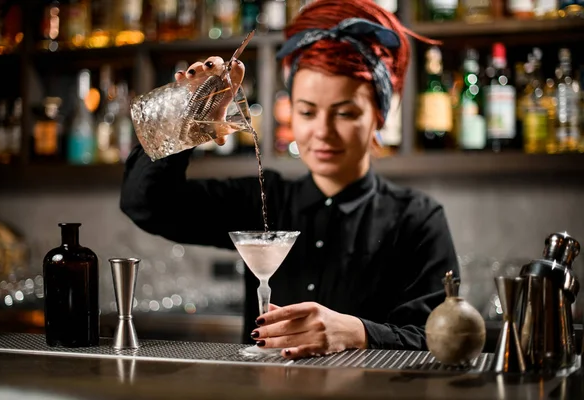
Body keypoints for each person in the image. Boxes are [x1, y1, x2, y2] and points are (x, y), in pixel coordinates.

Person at [120, 0, 460, 359]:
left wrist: (358, 332)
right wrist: (188, 115)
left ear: (379, 115)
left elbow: (444, 340)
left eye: (345, 112)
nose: (323, 132)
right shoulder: (264, 200)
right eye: (307, 111)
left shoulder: (418, 220)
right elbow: (145, 205)